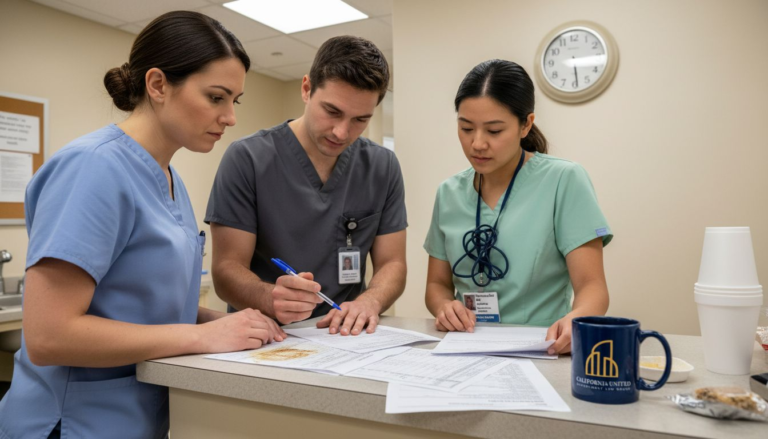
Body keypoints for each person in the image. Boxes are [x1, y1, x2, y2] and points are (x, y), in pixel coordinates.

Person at [0, 11, 285, 439]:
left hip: (138, 417)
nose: (230, 117)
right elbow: (48, 335)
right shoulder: (93, 168)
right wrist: (202, 337)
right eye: (216, 97)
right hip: (73, 423)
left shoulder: (170, 179)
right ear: (157, 85)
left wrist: (232, 322)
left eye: (235, 101)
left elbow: (145, 309)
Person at [206, 36, 407, 337]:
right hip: (267, 337)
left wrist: (370, 301)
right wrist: (270, 297)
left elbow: (393, 263)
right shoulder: (248, 158)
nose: (342, 132)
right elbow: (226, 271)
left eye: (360, 120)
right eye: (332, 112)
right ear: (306, 89)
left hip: (347, 338)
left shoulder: (382, 166)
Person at [424, 59, 611, 355]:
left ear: (526, 124)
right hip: (465, 346)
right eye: (466, 128)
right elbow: (436, 285)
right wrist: (445, 306)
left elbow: (592, 286)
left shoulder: (564, 180)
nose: (477, 144)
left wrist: (578, 318)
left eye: (494, 131)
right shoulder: (449, 193)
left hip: (541, 348)